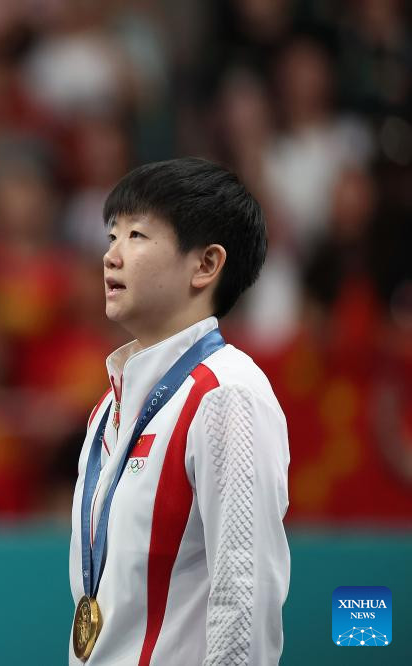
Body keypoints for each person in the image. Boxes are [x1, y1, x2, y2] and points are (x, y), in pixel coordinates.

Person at [68, 157, 289, 664]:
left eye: (137, 236)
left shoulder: (227, 395)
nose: (111, 256)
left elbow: (244, 600)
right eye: (111, 235)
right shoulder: (110, 405)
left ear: (206, 265)